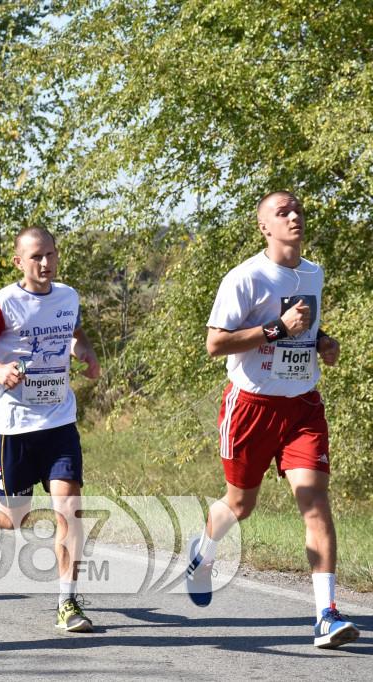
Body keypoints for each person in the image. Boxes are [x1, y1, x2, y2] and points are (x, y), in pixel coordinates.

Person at [185, 190, 358, 649]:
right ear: (264, 226)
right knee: (240, 505)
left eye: (298, 209)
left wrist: (324, 342)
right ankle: (202, 554)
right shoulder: (245, 278)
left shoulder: (312, 273)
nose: (294, 216)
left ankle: (326, 613)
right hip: (251, 407)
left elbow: (308, 325)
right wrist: (278, 329)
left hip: (301, 405)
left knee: (315, 500)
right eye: (282, 212)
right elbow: (215, 344)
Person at [0, 226, 101, 633]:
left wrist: (85, 352)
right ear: (18, 261)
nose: (44, 264)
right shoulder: (1, 304)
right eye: (35, 257)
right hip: (13, 427)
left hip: (58, 422)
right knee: (15, 516)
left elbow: (73, 333)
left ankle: (67, 602)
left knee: (69, 510)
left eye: (50, 255)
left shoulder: (68, 297)